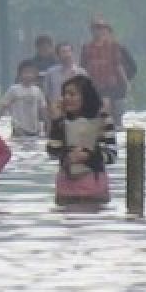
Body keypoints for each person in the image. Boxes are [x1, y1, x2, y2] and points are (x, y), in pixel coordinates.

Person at [47, 74, 116, 207]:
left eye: (72, 94)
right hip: (65, 190)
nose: (67, 98)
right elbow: (53, 151)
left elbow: (111, 155)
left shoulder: (103, 120)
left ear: (86, 97)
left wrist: (88, 155)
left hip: (94, 189)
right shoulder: (61, 122)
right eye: (65, 94)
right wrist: (56, 121)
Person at [80, 16, 131, 129]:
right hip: (94, 84)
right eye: (95, 28)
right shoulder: (87, 47)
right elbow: (83, 67)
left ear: (105, 29)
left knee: (116, 111)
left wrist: (126, 82)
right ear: (91, 30)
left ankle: (115, 128)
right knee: (100, 109)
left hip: (111, 83)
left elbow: (118, 64)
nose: (98, 31)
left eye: (101, 28)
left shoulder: (113, 46)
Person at [0, 61, 48, 138]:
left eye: (31, 72)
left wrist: (48, 126)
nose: (28, 75)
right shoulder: (14, 89)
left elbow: (43, 110)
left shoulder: (37, 90)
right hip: (19, 129)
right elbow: (3, 107)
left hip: (35, 129)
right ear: (20, 74)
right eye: (25, 72)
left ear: (35, 74)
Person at [42, 42, 87, 119]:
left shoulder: (81, 73)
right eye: (63, 52)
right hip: (57, 111)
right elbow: (46, 94)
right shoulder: (51, 73)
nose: (67, 55)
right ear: (57, 55)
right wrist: (50, 111)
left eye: (69, 51)